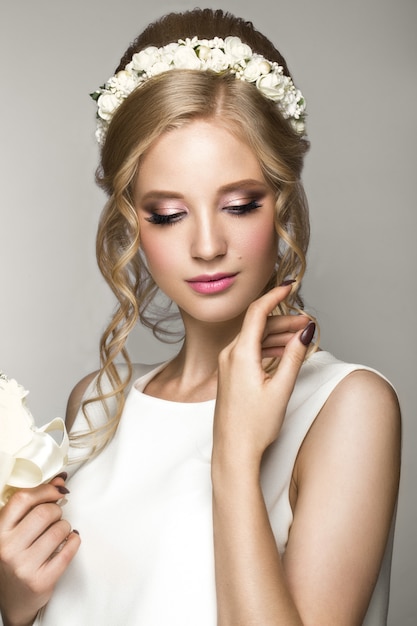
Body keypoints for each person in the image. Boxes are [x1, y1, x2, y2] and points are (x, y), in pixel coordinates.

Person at [0, 8, 401, 626]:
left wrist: (235, 456)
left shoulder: (348, 409)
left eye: (239, 204)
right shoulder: (97, 406)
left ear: (283, 202)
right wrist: (18, 608)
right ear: (131, 219)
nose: (208, 244)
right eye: (168, 213)